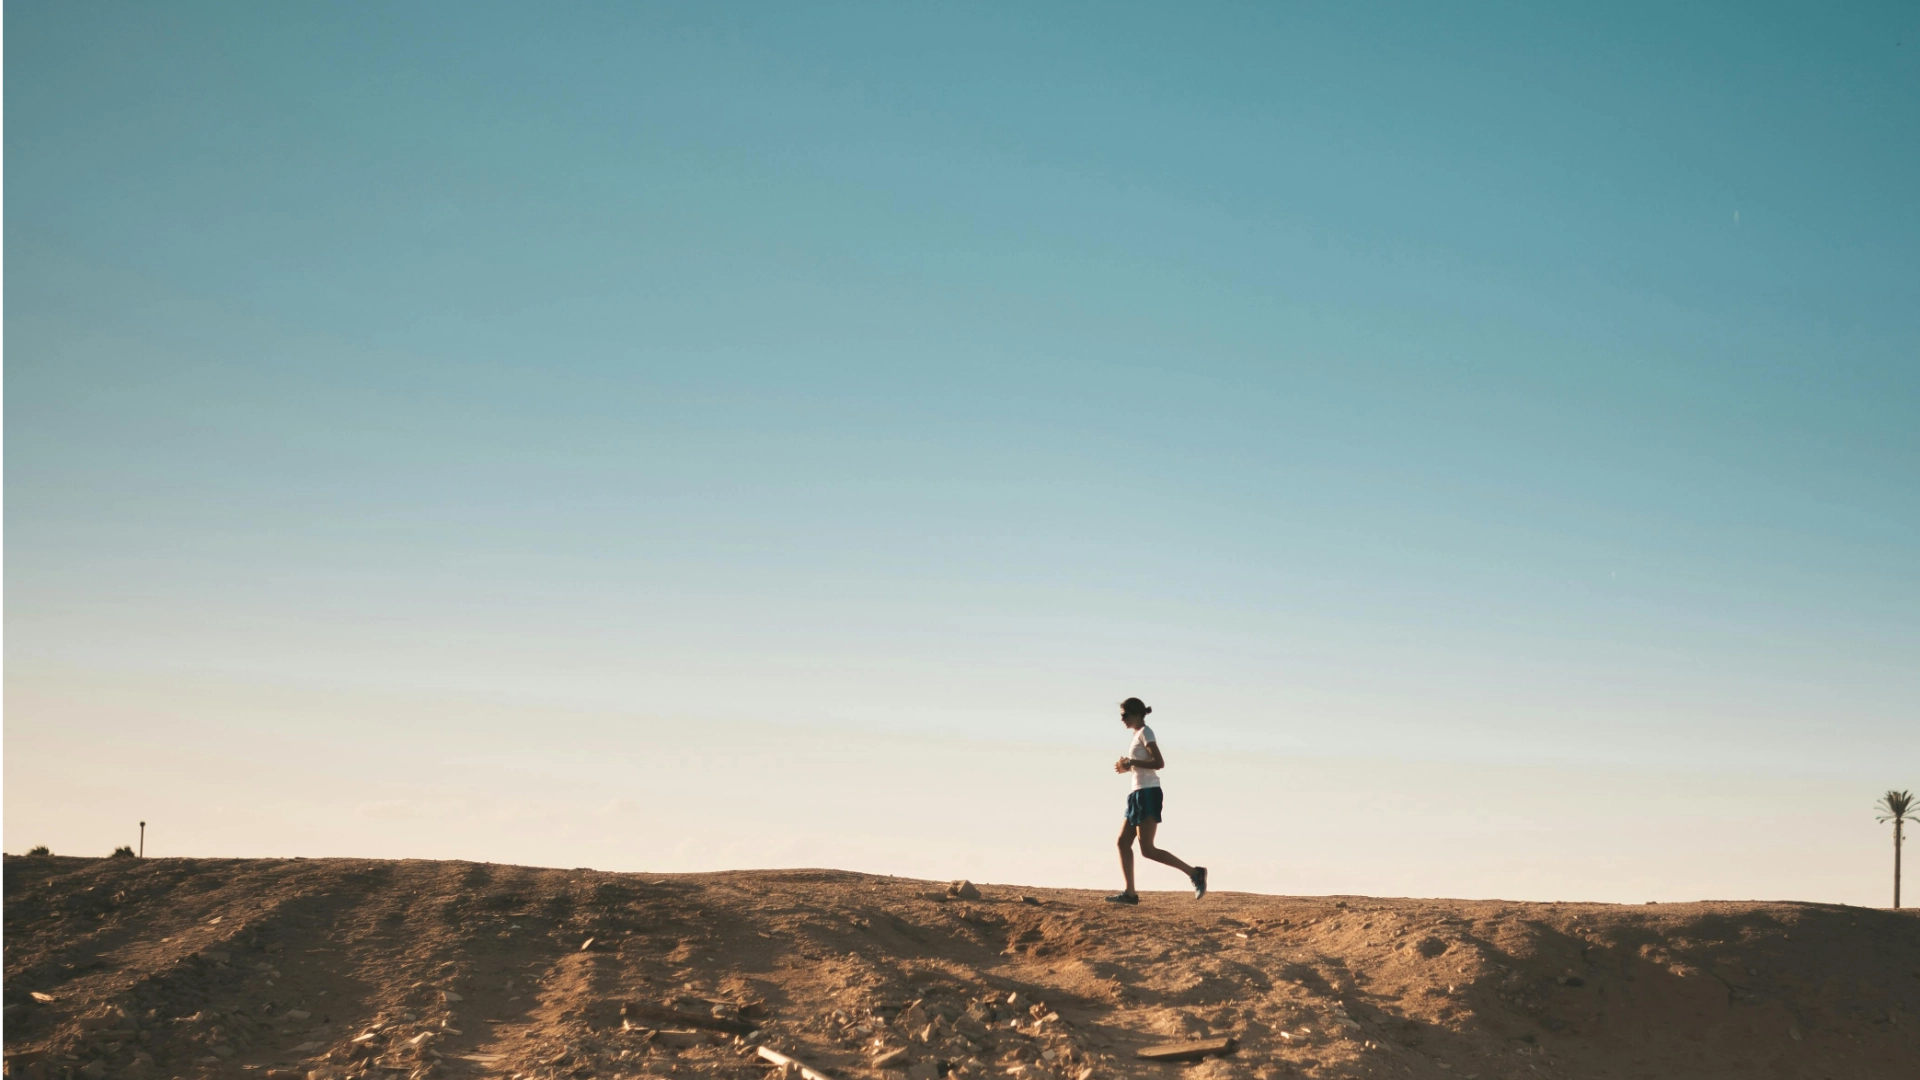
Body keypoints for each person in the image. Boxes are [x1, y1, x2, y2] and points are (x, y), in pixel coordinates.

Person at [1107, 697, 1206, 903]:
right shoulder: (1137, 735)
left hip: (1148, 793)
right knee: (1123, 843)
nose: (1122, 719)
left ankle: (1194, 873)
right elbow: (1143, 765)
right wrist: (1127, 767)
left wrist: (1132, 762)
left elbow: (1159, 762)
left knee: (1148, 849)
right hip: (1136, 793)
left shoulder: (1146, 732)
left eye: (1125, 715)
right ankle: (1130, 894)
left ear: (1137, 714)